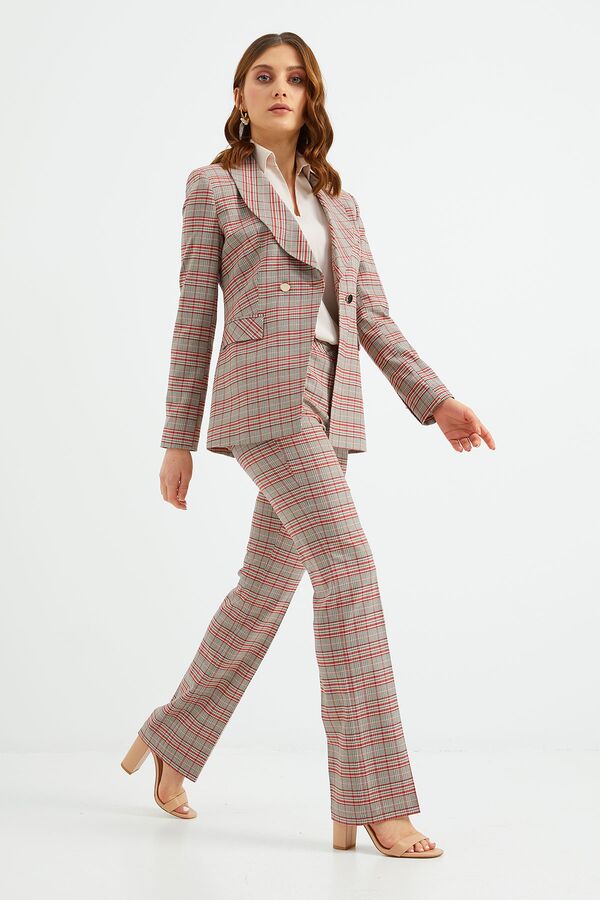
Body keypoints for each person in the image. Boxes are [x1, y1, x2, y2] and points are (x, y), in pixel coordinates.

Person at [121, 32, 495, 859]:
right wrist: (178, 437)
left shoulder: (342, 204)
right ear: (240, 95)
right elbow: (194, 314)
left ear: (311, 96)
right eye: (264, 77)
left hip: (334, 409)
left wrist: (437, 402)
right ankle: (374, 798)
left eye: (294, 78)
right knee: (349, 566)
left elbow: (374, 320)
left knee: (263, 590)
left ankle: (172, 739)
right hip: (264, 405)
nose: (280, 88)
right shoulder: (214, 187)